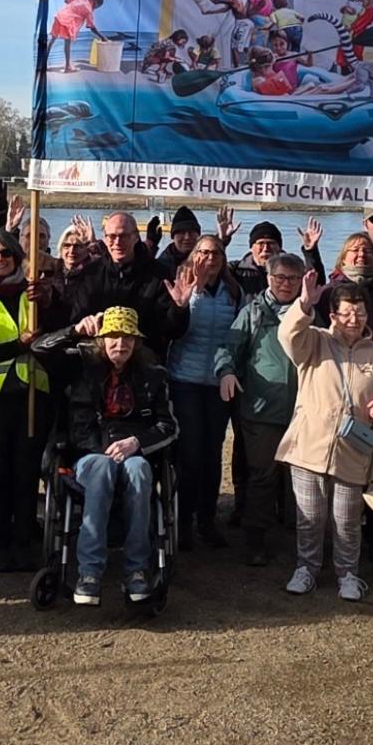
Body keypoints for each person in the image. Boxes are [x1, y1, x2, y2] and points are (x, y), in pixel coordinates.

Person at [31, 308, 179, 606]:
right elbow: (38, 348)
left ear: (136, 342)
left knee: (138, 470)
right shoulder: (79, 364)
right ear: (101, 339)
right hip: (89, 453)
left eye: (127, 338)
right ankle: (89, 572)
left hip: (134, 456)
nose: (119, 344)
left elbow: (168, 426)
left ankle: (137, 569)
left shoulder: (153, 375)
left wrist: (136, 442)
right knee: (101, 469)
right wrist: (73, 331)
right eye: (112, 336)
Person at [275, 275, 373, 601]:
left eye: (359, 313)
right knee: (310, 516)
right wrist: (303, 304)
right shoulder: (314, 341)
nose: (353, 320)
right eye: (346, 313)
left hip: (355, 449)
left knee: (346, 519)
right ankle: (306, 569)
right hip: (309, 444)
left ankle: (348, 574)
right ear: (332, 315)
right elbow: (287, 335)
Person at [216, 252, 309, 565]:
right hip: (261, 409)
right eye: (280, 277)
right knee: (262, 476)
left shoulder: (308, 313)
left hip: (302, 411)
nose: (286, 284)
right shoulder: (252, 312)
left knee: (302, 477)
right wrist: (226, 372)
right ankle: (255, 539)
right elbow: (228, 348)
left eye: (293, 279)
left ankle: (301, 539)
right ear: (268, 278)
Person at [0, 231, 48, 572]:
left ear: (17, 256)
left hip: (33, 393)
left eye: (5, 253)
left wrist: (46, 300)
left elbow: (56, 329)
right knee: (0, 469)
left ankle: (24, 537)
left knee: (27, 469)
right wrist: (17, 345)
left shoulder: (32, 295)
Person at [164, 234, 243, 550]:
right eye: (203, 252)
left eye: (216, 253)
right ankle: (181, 522)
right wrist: (180, 307)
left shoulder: (233, 292)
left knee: (212, 454)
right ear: (193, 255)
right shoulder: (180, 284)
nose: (209, 259)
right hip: (184, 380)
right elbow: (170, 330)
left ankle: (206, 521)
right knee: (189, 455)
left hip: (218, 383)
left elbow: (238, 336)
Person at [51, 213, 190, 358]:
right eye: (111, 236)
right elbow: (75, 321)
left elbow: (172, 331)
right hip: (97, 364)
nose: (117, 242)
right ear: (104, 238)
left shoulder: (158, 274)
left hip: (142, 367)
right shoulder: (90, 274)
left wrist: (179, 309)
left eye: (123, 236)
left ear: (136, 237)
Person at [48, 0, 108, 73]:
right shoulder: (89, 10)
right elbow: (92, 27)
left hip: (59, 17)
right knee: (67, 42)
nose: (95, 9)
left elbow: (67, 0)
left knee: (52, 41)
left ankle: (42, 63)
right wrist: (102, 37)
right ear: (97, 4)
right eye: (97, 7)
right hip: (67, 22)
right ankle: (68, 67)